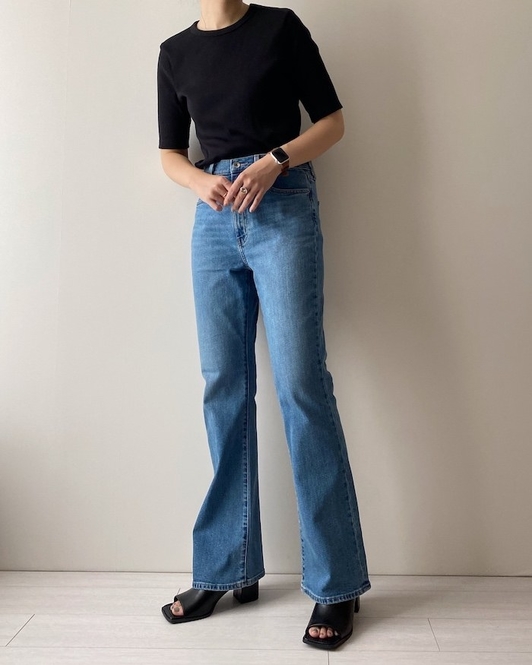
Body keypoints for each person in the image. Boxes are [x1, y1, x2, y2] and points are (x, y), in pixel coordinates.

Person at [157, 0, 371, 650]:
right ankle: (227, 568)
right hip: (214, 219)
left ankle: (337, 582)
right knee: (223, 387)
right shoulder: (175, 53)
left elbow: (332, 122)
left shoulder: (280, 27)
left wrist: (276, 158)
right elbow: (169, 152)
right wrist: (199, 183)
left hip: (283, 204)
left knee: (302, 385)